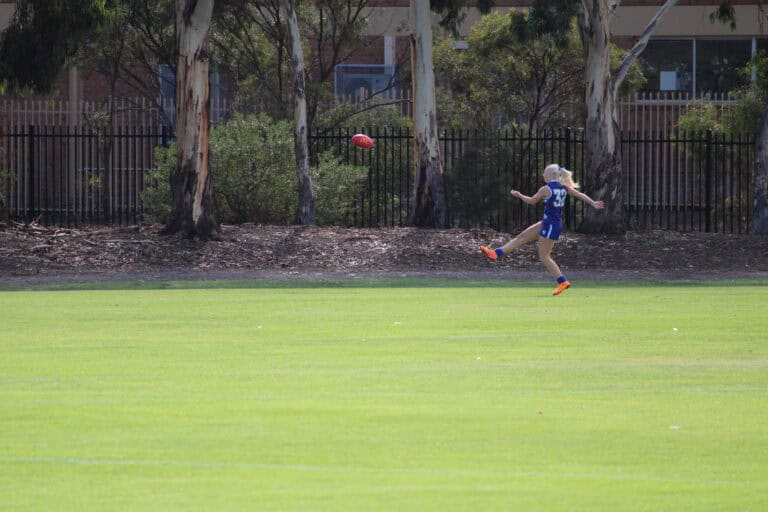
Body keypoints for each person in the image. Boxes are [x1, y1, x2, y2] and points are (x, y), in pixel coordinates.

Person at [480, 164, 605, 295]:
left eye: (544, 174)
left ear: (549, 176)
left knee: (544, 256)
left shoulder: (546, 189)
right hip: (548, 222)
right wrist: (593, 203)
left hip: (551, 225)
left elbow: (532, 201)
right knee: (522, 237)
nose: (543, 176)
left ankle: (563, 281)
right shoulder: (564, 186)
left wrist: (519, 195)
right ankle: (496, 253)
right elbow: (580, 195)